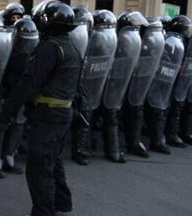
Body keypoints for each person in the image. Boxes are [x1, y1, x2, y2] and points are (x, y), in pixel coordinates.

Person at [0, 0, 81, 216]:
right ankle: (62, 201)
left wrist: (7, 111)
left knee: (39, 169)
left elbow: (29, 83)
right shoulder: (71, 46)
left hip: (47, 116)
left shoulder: (49, 48)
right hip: (62, 114)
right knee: (53, 159)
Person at [0, 17, 39, 178]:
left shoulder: (34, 55)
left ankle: (9, 157)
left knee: (18, 126)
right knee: (1, 126)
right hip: (6, 94)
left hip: (21, 94)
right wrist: (1, 97)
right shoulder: (6, 50)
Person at [98, 10, 145, 163]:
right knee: (109, 115)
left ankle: (121, 146)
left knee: (115, 115)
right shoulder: (114, 39)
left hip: (121, 83)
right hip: (106, 82)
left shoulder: (131, 39)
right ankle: (112, 150)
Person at [70, 9, 116, 166]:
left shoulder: (99, 39)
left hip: (93, 84)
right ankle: (78, 150)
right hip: (75, 84)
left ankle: (83, 148)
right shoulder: (76, 38)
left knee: (88, 117)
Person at [145, 15, 189, 154]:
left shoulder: (179, 41)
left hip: (169, 79)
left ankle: (162, 137)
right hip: (158, 79)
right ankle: (157, 140)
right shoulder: (167, 41)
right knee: (156, 110)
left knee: (164, 108)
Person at [122, 18, 165, 158]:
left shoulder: (148, 42)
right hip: (123, 82)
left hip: (141, 82)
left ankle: (139, 141)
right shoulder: (127, 39)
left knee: (138, 110)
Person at [165, 15, 192, 147]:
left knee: (179, 106)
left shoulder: (185, 41)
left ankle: (178, 133)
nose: (187, 31)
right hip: (172, 76)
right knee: (173, 106)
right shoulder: (171, 41)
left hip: (183, 77)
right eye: (186, 28)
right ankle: (171, 134)